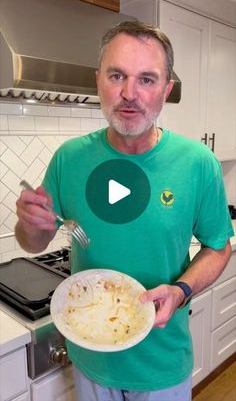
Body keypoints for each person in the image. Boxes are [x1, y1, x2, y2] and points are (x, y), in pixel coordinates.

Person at [15, 21, 234, 401]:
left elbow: (219, 246)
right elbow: (34, 243)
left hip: (162, 362)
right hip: (91, 359)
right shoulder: (70, 159)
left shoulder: (197, 163)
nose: (129, 93)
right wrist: (29, 223)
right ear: (99, 79)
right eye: (117, 75)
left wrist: (181, 290)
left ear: (166, 89)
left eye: (147, 79)